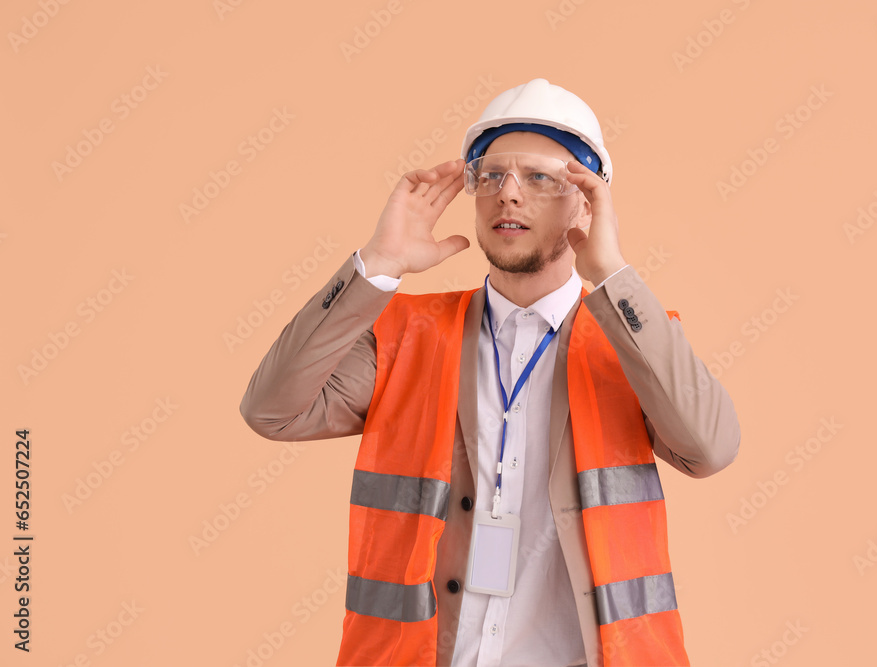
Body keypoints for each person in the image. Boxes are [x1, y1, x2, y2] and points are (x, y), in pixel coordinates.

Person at [240, 78, 741, 667]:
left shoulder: (632, 340)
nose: (508, 194)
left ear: (586, 201)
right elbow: (271, 410)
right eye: (492, 175)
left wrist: (612, 274)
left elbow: (710, 448)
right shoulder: (406, 334)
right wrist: (376, 268)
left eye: (540, 178)